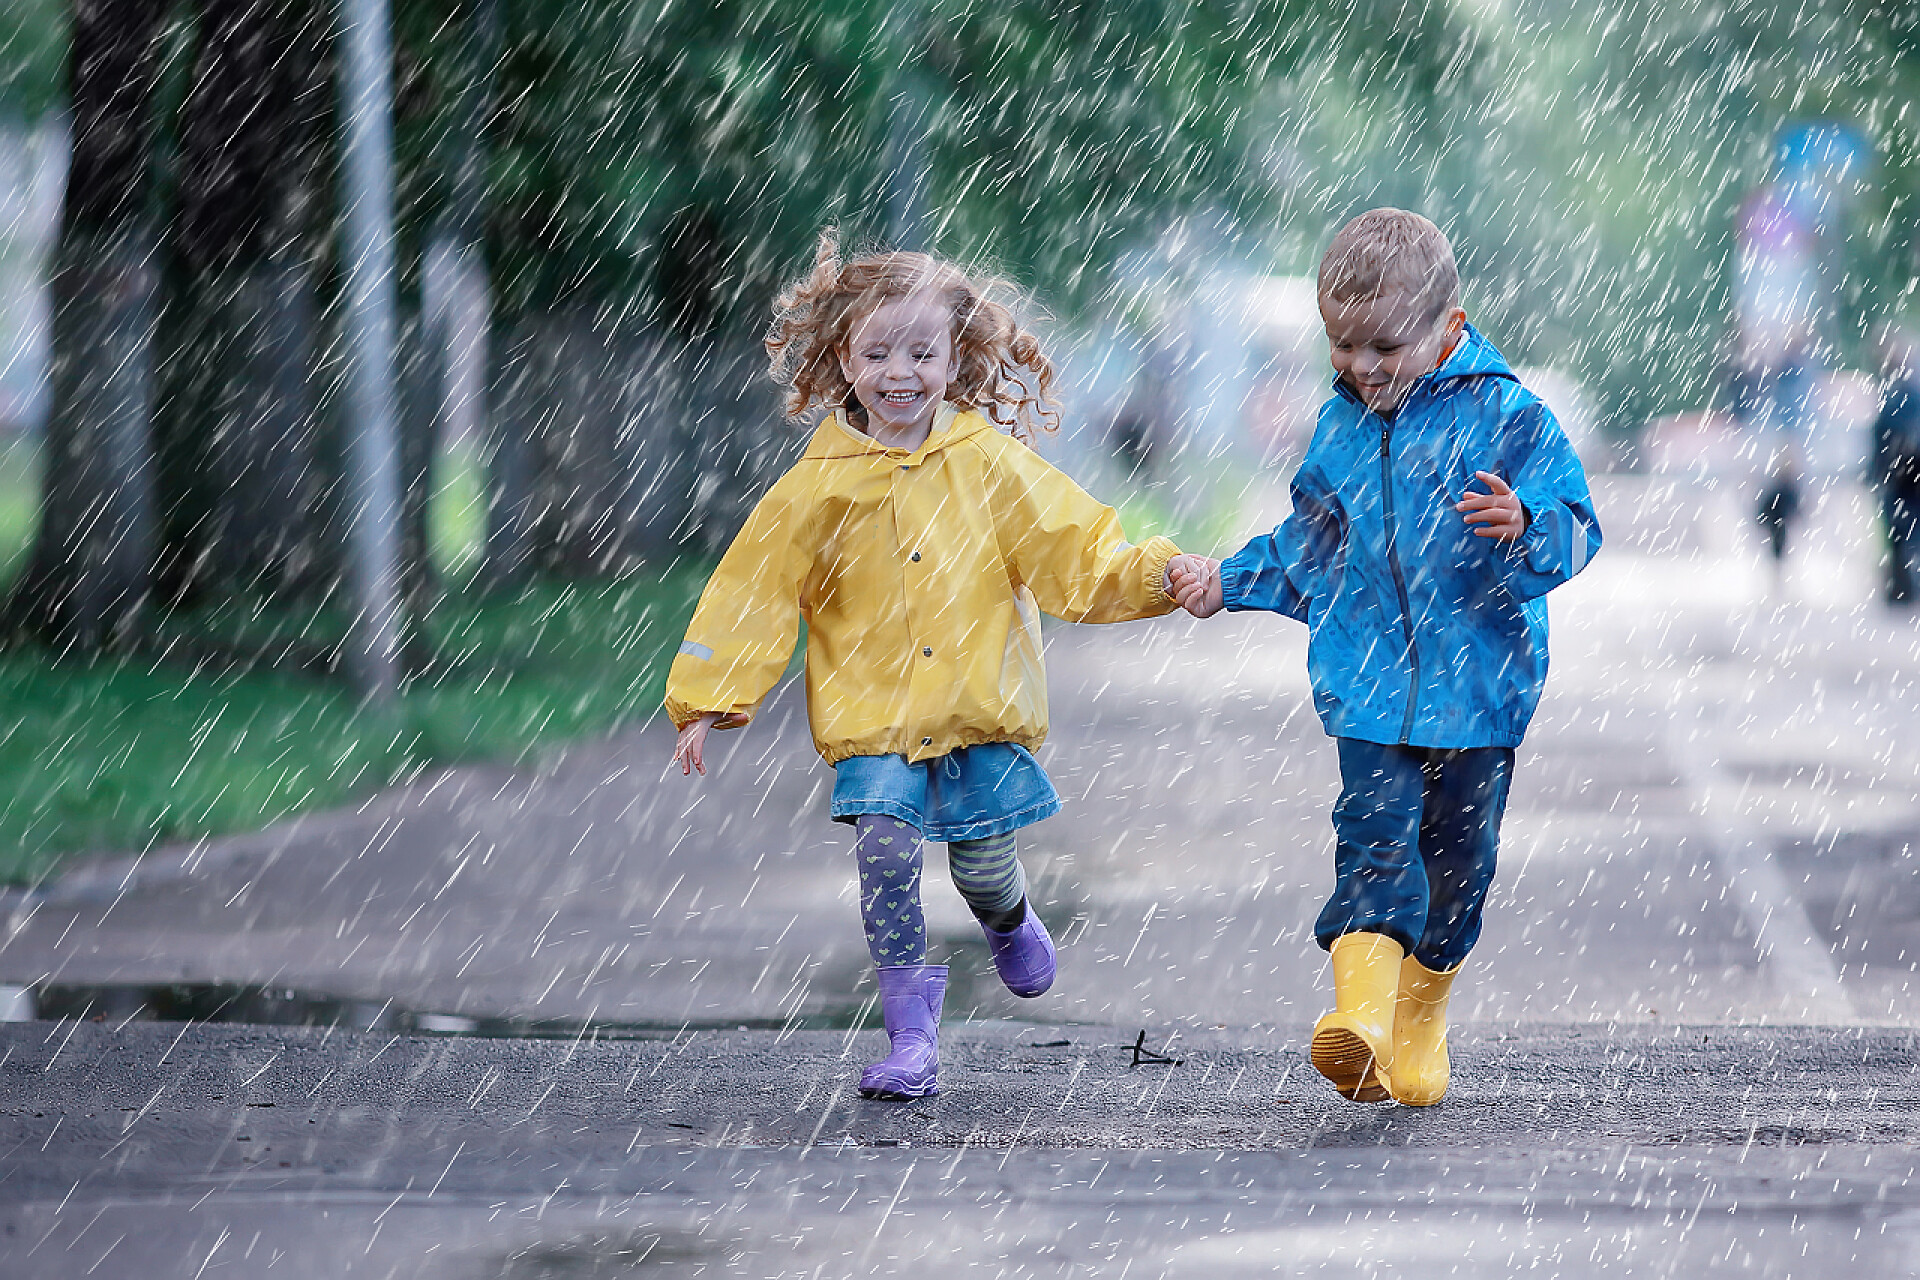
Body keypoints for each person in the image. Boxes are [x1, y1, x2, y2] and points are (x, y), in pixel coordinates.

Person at [666, 230, 1201, 1101]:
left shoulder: (986, 464)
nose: (900, 372)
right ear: (844, 360)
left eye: (922, 351)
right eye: (877, 352)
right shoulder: (819, 484)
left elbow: (1073, 548)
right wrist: (707, 697)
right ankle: (911, 1038)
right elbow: (755, 588)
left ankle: (1009, 918)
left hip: (975, 710)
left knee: (982, 867)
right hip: (871, 718)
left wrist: (1153, 576)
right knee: (884, 851)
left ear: (955, 360)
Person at [1168, 209, 1601, 1106]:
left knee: (1459, 865)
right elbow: (1314, 545)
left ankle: (1418, 1014)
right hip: (1369, 686)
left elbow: (1578, 526)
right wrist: (1230, 579)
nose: (1362, 368)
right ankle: (1358, 1021)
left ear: (1449, 327)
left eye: (1384, 346)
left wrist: (1527, 526)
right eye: (1343, 345)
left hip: (1478, 692)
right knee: (1370, 844)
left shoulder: (1509, 416)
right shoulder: (1338, 429)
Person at [1871, 327, 1920, 607]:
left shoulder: (1899, 392)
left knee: (1901, 530)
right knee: (1903, 530)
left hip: (1902, 473)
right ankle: (1902, 585)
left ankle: (1902, 585)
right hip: (1904, 472)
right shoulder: (1901, 390)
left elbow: (1882, 435)